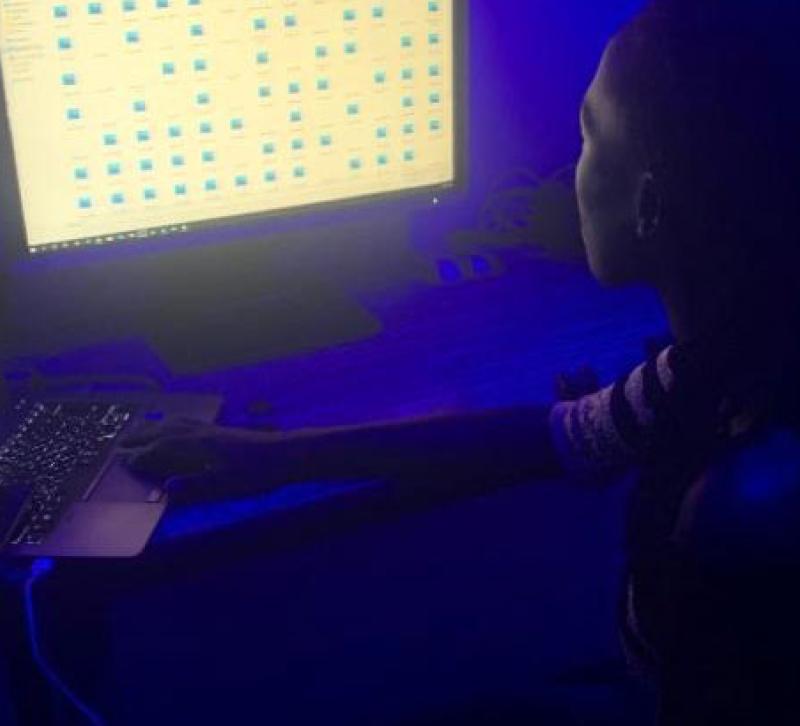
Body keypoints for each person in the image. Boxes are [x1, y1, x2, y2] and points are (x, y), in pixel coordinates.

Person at [124, 1, 800, 723]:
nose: (563, 175)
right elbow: (564, 434)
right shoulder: (732, 356)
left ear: (649, 204)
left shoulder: (739, 505)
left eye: (587, 137)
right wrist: (271, 457)